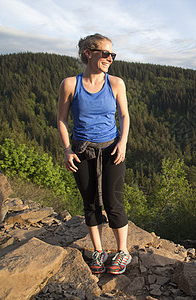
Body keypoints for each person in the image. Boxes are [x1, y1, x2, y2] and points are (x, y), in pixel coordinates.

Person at [57, 33, 131, 275]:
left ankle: (122, 252)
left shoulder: (116, 83)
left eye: (113, 54)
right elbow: (62, 119)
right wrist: (67, 149)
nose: (110, 58)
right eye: (106, 53)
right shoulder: (70, 84)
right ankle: (99, 251)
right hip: (82, 150)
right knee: (90, 202)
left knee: (113, 202)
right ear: (89, 53)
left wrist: (123, 142)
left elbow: (124, 115)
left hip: (111, 149)